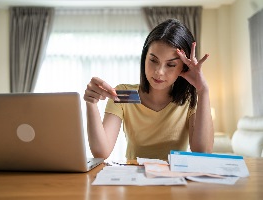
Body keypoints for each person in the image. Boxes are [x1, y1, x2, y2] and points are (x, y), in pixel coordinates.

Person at [84, 18, 214, 161]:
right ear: (144, 58)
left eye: (170, 65)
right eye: (153, 60)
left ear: (183, 67)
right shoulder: (126, 94)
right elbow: (101, 152)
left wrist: (203, 91)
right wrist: (91, 104)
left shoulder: (188, 100)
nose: (159, 72)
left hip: (174, 180)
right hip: (134, 179)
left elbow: (203, 152)